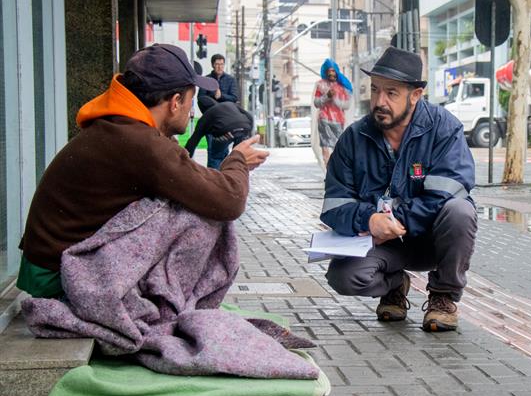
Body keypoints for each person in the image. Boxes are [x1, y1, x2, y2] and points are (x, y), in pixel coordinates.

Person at [16, 43, 268, 299]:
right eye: (191, 100)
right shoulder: (141, 143)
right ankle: (169, 307)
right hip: (56, 275)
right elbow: (228, 201)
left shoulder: (122, 129)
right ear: (175, 101)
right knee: (196, 220)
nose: (192, 112)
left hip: (46, 265)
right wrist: (238, 161)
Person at [320, 46, 477, 332]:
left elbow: (447, 192)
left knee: (460, 210)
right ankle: (394, 284)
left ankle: (442, 296)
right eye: (375, 89)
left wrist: (395, 220)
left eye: (391, 93)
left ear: (415, 95)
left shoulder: (444, 129)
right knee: (343, 277)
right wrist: (369, 219)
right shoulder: (354, 138)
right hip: (382, 244)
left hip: (432, 241)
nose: (380, 101)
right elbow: (333, 207)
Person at [187, 96, 254, 169]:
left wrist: (184, 159)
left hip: (226, 133)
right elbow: (249, 115)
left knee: (216, 156)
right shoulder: (229, 104)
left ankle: (215, 178)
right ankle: (235, 173)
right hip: (244, 128)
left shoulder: (206, 116)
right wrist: (249, 130)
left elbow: (193, 141)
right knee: (238, 155)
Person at [313, 59, 352, 167]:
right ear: (325, 72)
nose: (331, 73)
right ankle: (328, 171)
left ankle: (336, 170)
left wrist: (334, 99)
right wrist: (326, 96)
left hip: (338, 121)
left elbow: (347, 105)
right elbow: (316, 103)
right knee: (325, 147)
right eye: (329, 71)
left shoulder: (342, 87)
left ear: (336, 72)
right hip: (324, 119)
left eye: (333, 71)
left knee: (338, 147)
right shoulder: (320, 85)